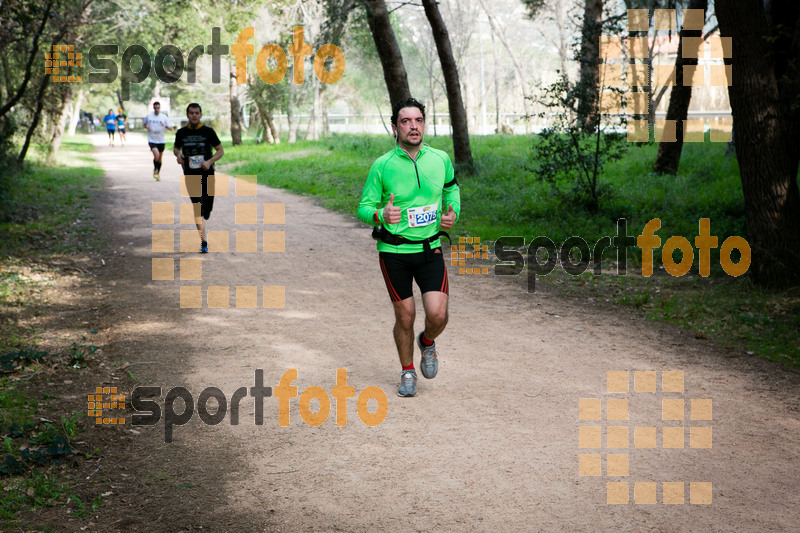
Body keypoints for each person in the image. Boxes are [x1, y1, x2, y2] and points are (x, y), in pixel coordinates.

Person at [357, 97, 461, 397]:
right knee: (405, 316)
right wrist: (380, 215)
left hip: (430, 249)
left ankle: (426, 342)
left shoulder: (439, 159)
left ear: (424, 124)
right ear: (395, 127)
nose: (413, 127)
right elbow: (364, 207)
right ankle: (407, 372)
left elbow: (451, 188)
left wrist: (452, 210)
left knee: (438, 315)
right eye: (406, 121)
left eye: (418, 120)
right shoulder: (383, 165)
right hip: (394, 252)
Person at [173, 103, 224, 254]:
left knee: (207, 207)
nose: (194, 115)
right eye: (191, 113)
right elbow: (176, 148)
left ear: (200, 115)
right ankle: (203, 241)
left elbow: (220, 151)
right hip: (190, 175)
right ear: (187, 115)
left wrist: (209, 162)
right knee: (197, 207)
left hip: (207, 173)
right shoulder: (181, 133)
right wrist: (178, 155)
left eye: (197, 113)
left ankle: (207, 209)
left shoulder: (208, 131)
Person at [144, 101, 173, 181]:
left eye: (158, 107)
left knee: (159, 159)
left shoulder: (164, 117)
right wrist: (147, 127)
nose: (156, 109)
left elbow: (171, 128)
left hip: (161, 140)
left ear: (159, 108)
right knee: (156, 155)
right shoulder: (149, 116)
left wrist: (165, 126)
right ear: (153, 108)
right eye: (155, 107)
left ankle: (157, 172)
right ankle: (156, 170)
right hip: (152, 139)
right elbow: (144, 124)